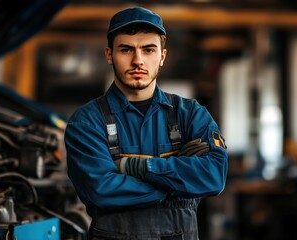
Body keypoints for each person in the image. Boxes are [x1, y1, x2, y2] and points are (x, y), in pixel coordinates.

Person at [65, 7, 228, 240]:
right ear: (109, 55)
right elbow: (100, 190)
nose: (137, 60)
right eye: (126, 49)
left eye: (148, 49)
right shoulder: (87, 122)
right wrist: (176, 180)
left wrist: (136, 168)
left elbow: (213, 176)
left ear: (162, 56)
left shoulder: (191, 114)